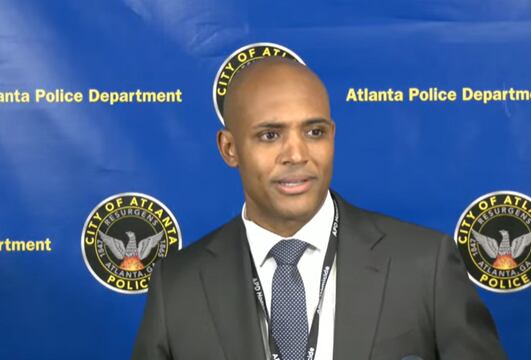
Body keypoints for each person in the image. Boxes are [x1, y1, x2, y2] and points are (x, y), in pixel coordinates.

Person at [132, 57, 507, 360]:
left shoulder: (426, 266)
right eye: (270, 135)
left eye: (314, 132)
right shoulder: (176, 286)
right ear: (229, 149)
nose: (297, 155)